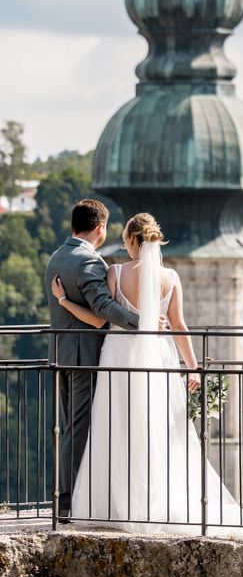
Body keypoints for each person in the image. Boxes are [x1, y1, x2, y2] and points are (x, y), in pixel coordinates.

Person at [51, 211, 243, 535]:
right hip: (158, 359)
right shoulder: (171, 277)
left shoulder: (115, 273)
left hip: (118, 358)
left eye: (125, 240)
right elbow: (179, 326)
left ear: (132, 240)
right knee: (158, 428)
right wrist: (192, 366)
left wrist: (63, 300)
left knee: (114, 429)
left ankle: (111, 504)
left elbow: (101, 316)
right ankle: (156, 502)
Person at [45, 199, 165, 522]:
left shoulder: (55, 258)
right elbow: (104, 310)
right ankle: (68, 501)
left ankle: (66, 496)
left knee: (69, 426)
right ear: (100, 228)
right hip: (85, 357)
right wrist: (144, 322)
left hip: (60, 354)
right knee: (80, 429)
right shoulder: (90, 262)